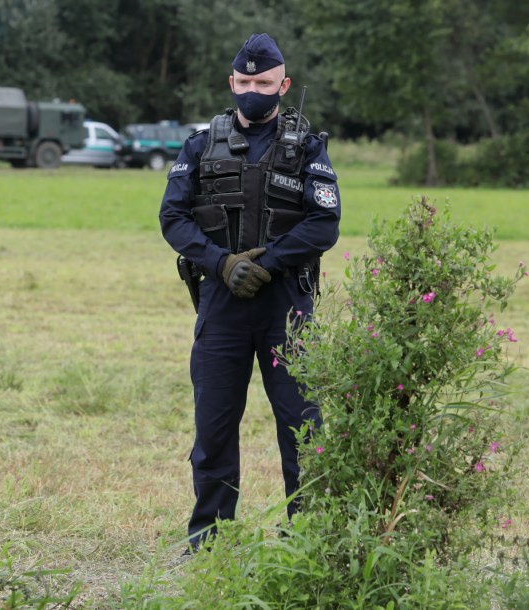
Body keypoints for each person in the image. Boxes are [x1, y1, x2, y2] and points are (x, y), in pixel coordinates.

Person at [159, 33, 341, 551]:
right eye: (244, 81)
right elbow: (171, 217)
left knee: (303, 429)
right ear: (231, 82)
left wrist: (265, 264)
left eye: (263, 82)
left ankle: (306, 537)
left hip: (287, 306)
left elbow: (324, 223)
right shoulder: (200, 144)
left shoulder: (308, 148)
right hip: (220, 306)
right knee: (213, 430)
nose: (253, 90)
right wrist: (222, 265)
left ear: (283, 85)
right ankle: (208, 541)